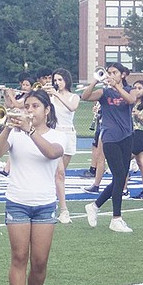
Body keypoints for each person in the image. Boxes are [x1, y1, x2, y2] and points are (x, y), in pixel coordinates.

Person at [0, 89, 65, 285]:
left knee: (40, 261)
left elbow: (52, 153)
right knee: (19, 256)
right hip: (18, 201)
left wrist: (29, 130)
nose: (30, 111)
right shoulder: (15, 134)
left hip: (44, 204)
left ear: (46, 110)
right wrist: (9, 127)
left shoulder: (57, 135)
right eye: (27, 106)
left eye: (35, 107)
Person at [81, 63, 138, 232]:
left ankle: (95, 206)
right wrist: (95, 81)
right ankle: (116, 218)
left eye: (115, 72)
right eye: (109, 72)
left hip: (127, 136)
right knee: (119, 176)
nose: (111, 75)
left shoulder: (130, 89)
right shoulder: (104, 93)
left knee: (121, 177)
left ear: (122, 75)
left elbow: (131, 100)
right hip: (110, 138)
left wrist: (117, 87)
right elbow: (85, 96)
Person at [47, 69, 80, 222]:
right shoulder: (51, 97)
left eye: (60, 79)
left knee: (59, 174)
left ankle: (51, 201)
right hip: (55, 134)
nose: (57, 82)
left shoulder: (74, 96)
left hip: (69, 135)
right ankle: (64, 210)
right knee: (60, 173)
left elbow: (72, 107)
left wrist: (56, 94)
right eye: (56, 80)